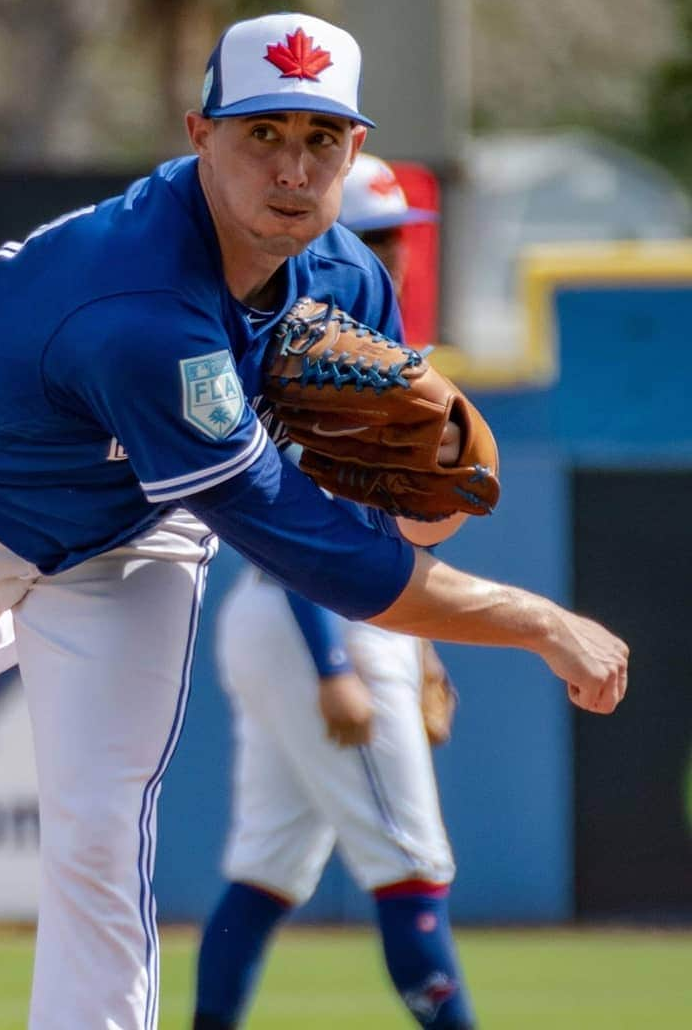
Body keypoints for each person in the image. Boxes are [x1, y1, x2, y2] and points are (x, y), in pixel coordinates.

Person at [0, 12, 627, 1030]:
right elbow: (323, 559)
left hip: (128, 536)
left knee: (103, 831)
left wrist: (434, 497)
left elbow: (379, 524)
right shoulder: (137, 302)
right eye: (262, 134)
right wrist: (534, 620)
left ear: (355, 150)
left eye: (320, 139)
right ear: (199, 133)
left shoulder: (349, 281)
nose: (292, 170)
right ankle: (2, 628)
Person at [192, 157, 479, 1030]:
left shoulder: (379, 353)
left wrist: (418, 645)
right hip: (311, 621)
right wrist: (336, 667)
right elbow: (297, 539)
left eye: (400, 238)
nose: (392, 255)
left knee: (267, 865)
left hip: (320, 623)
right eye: (375, 237)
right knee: (413, 862)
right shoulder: (305, 360)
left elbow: (371, 528)